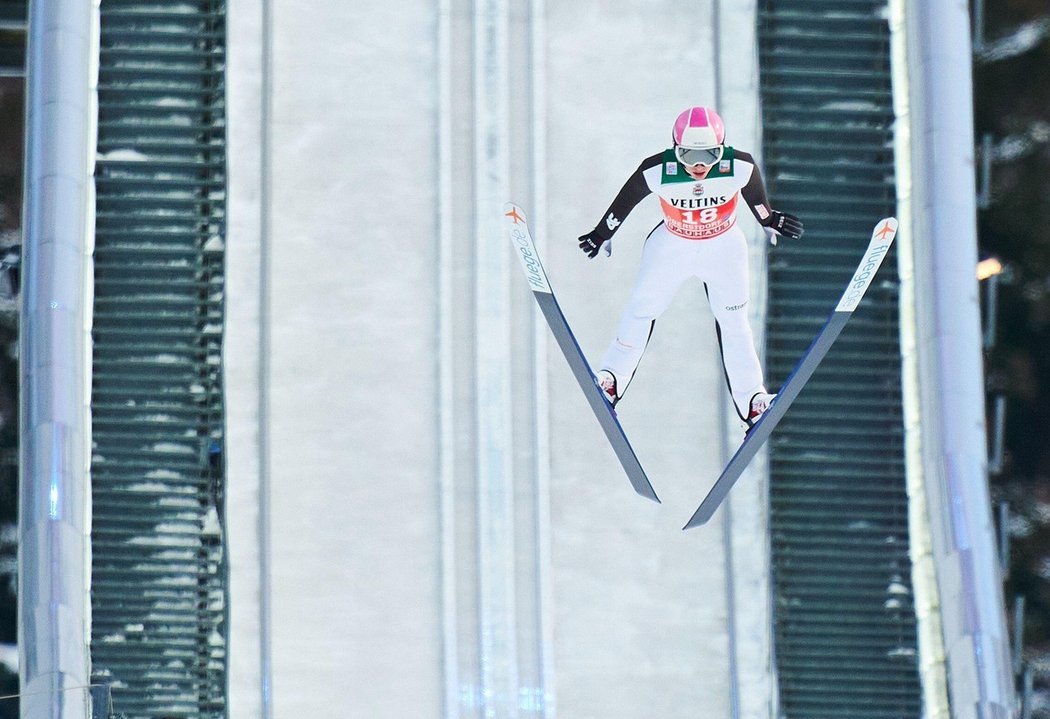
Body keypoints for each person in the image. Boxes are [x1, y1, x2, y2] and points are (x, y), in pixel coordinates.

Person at [578, 106, 803, 430]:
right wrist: (602, 234)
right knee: (642, 308)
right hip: (673, 246)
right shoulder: (658, 170)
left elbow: (756, 197)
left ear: (722, 149)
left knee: (735, 322)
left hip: (723, 248)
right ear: (674, 149)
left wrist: (768, 219)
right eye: (688, 155)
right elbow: (626, 200)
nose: (699, 165)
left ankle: (753, 400)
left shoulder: (738, 166)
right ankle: (612, 379)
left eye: (710, 154)